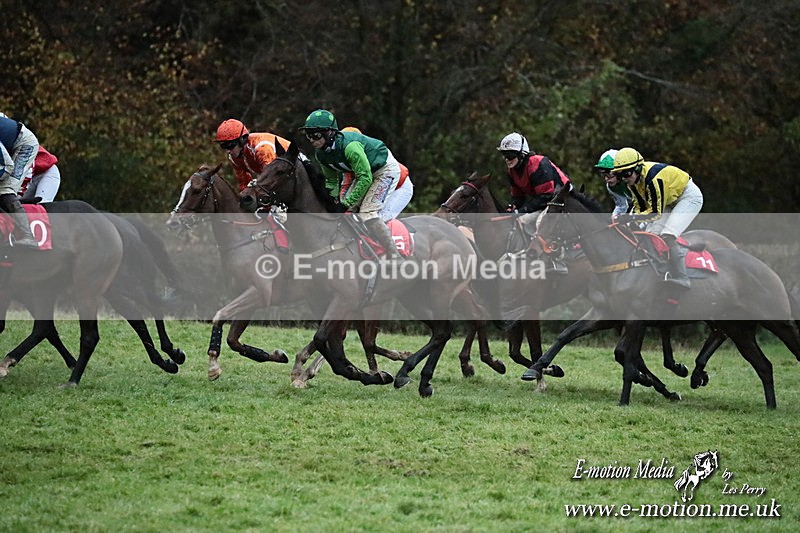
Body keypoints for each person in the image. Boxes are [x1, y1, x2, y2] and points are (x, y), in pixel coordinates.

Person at [299, 109, 408, 260]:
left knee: (367, 213)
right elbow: (331, 181)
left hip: (384, 170)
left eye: (316, 134)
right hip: (364, 173)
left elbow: (366, 178)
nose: (311, 139)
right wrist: (333, 202)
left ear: (330, 132)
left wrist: (347, 202)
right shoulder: (321, 154)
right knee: (346, 212)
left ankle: (394, 255)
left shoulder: (350, 147)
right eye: (308, 135)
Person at [612, 147, 703, 288]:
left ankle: (682, 277)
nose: (624, 178)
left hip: (688, 197)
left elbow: (654, 213)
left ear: (637, 168)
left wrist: (631, 219)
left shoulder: (653, 178)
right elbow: (640, 207)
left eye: (627, 173)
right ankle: (661, 269)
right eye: (620, 175)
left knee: (667, 234)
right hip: (668, 200)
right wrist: (631, 222)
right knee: (651, 235)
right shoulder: (633, 182)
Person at [497, 132, 571, 274]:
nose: (507, 159)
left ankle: (557, 260)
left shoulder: (538, 163)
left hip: (562, 200)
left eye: (511, 155)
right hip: (546, 202)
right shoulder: (512, 171)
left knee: (539, 223)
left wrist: (522, 210)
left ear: (522, 154)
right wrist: (514, 207)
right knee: (519, 220)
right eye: (505, 155)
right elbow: (518, 196)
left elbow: (546, 196)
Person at [339, 126, 413, 221]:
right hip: (380, 183)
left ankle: (388, 235)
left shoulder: (366, 154)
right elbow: (345, 186)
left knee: (375, 218)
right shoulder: (346, 159)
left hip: (400, 188)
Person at [214, 118, 291, 192]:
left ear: (242, 140)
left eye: (230, 146)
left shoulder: (262, 149)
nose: (228, 151)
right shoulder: (235, 157)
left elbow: (271, 179)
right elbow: (244, 183)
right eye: (223, 146)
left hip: (294, 170)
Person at [0, 112, 40, 247]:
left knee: (5, 189)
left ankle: (28, 236)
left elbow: (7, 166)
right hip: (9, 149)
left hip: (25, 147)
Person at [594, 148, 630, 219]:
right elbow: (622, 206)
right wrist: (613, 218)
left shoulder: (632, 182)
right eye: (604, 174)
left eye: (609, 174)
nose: (606, 179)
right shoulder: (611, 187)